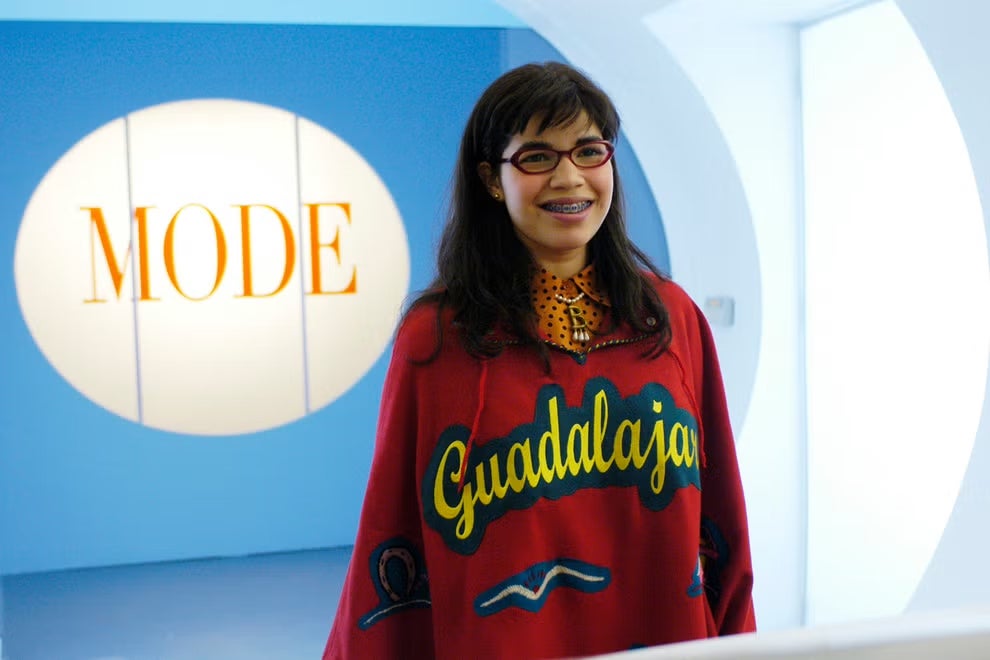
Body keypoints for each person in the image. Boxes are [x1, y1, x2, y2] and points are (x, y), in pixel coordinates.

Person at [323, 61, 755, 659]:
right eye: (537, 157)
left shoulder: (671, 318)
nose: (569, 177)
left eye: (588, 151)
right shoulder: (439, 336)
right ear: (492, 178)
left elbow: (721, 521)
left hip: (666, 639)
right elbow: (394, 531)